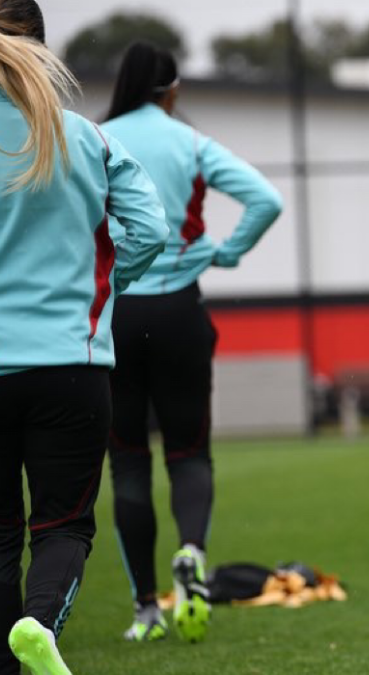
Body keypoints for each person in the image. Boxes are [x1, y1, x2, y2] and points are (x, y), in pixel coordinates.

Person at [0, 2, 168, 672]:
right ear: (43, 44)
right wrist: (98, 287)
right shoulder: (88, 139)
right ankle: (37, 626)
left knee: (1, 533)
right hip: (72, 361)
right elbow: (150, 230)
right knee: (63, 525)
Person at [100, 42, 283, 643]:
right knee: (189, 454)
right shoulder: (191, 142)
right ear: (173, 91)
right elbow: (266, 199)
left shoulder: (95, 138)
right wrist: (225, 252)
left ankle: (145, 609)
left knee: (128, 461)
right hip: (181, 310)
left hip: (118, 316)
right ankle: (191, 554)